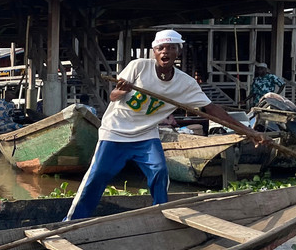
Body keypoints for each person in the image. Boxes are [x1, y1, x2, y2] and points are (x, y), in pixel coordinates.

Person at [66, 29, 268, 221]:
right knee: (97, 176)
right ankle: (72, 220)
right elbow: (113, 96)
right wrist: (123, 90)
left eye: (171, 48)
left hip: (146, 134)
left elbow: (211, 109)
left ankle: (159, 214)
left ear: (178, 52)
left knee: (160, 173)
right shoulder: (139, 67)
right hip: (116, 131)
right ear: (154, 52)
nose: (166, 52)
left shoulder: (185, 83)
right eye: (161, 48)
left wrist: (248, 131)